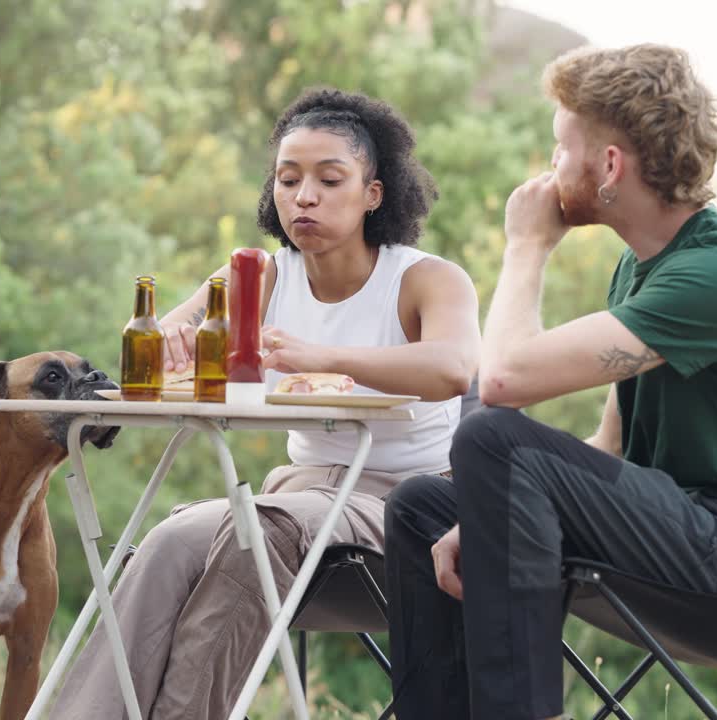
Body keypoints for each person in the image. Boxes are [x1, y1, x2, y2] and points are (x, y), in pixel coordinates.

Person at [384, 44, 717, 720]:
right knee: (422, 509)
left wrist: (527, 246)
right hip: (686, 536)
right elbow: (610, 446)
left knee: (492, 439)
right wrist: (484, 511)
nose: (548, 169)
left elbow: (505, 382)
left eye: (558, 148)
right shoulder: (641, 270)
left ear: (607, 165)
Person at [51, 88, 480, 719]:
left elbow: (453, 367)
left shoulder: (424, 279)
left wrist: (323, 357)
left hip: (401, 504)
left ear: (374, 194)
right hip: (298, 489)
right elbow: (156, 348)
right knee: (170, 541)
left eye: (330, 180)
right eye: (288, 179)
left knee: (258, 527)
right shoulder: (263, 276)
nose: (303, 196)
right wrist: (171, 339)